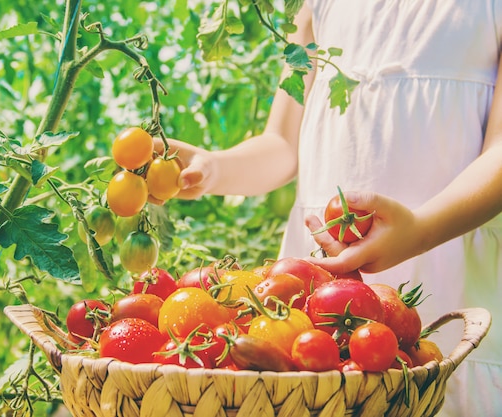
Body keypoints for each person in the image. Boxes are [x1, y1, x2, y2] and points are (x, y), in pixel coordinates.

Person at [160, 1, 502, 416]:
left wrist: (420, 230)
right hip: (320, 296)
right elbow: (282, 145)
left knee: (434, 386)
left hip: (446, 269)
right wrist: (213, 168)